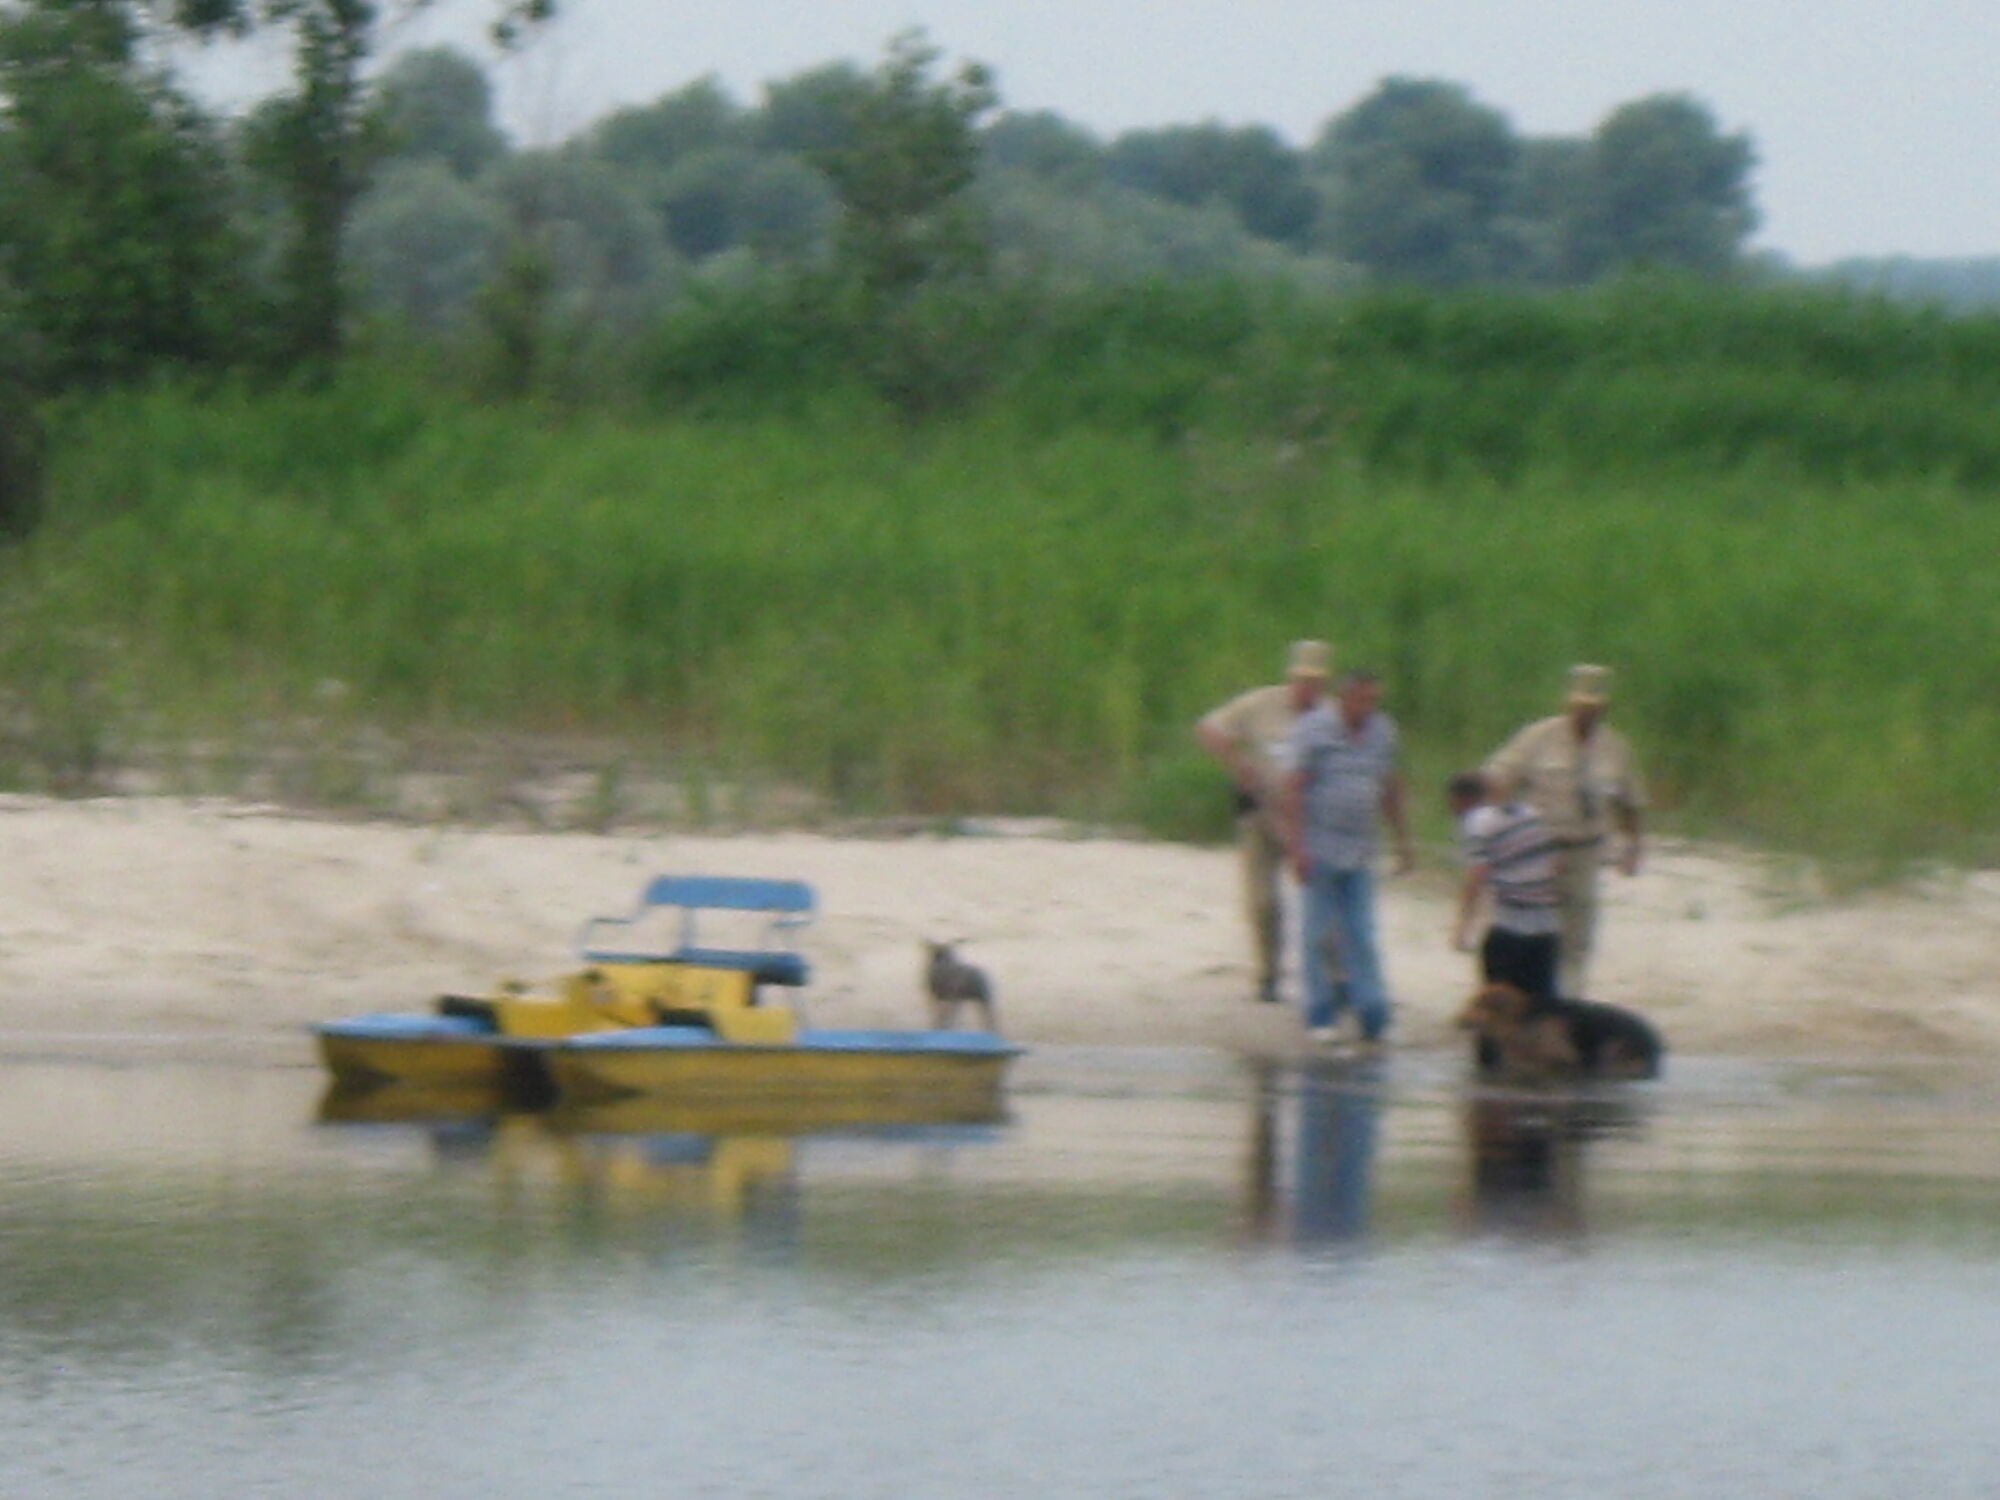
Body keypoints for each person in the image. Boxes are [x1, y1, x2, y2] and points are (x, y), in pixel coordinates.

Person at [1482, 663, 1647, 999]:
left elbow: (1632, 802)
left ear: (1604, 709)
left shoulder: (1615, 747)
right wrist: (1507, 830)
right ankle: (1523, 997)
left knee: (1578, 933)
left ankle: (1570, 1002)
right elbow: (1497, 780)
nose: (1587, 713)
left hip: (1586, 851)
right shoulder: (1538, 738)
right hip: (1538, 848)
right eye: (1581, 706)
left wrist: (1634, 847)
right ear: (1568, 705)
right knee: (1531, 928)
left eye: (1594, 708)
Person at [1280, 668, 1415, 1047]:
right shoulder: (1313, 729)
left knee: (1363, 934)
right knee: (1317, 934)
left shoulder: (1383, 731)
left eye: (1375, 700)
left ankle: (1374, 1015)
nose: (1369, 707)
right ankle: (1320, 1013)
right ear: (1345, 697)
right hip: (1320, 846)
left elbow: (1390, 785)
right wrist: (1297, 847)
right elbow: (1294, 789)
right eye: (1363, 700)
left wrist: (1404, 841)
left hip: (1362, 848)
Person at [1195, 639, 1332, 1003]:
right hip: (1260, 814)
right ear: (1292, 677)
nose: (1309, 688)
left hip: (1308, 822)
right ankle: (1268, 976)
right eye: (1303, 679)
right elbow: (1209, 727)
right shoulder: (1261, 705)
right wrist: (1238, 764)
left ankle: (1335, 978)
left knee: (1322, 900)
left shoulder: (1331, 717)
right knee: (1263, 901)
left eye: (1316, 681)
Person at [1446, 770, 1562, 1006]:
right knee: (1542, 1008)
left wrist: (1462, 927)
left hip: (1511, 930)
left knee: (1498, 1009)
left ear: (1462, 800)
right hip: (1548, 929)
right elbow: (1556, 863)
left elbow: (1476, 875)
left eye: (1453, 806)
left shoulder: (1476, 822)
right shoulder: (1529, 812)